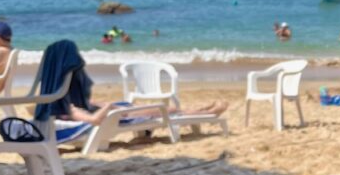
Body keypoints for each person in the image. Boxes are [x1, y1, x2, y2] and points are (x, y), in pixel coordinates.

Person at [34, 40, 227, 127]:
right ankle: (208, 112)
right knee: (168, 110)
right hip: (119, 116)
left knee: (168, 111)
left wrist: (97, 104)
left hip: (118, 112)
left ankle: (204, 109)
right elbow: (94, 121)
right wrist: (108, 106)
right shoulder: (66, 107)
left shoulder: (54, 100)